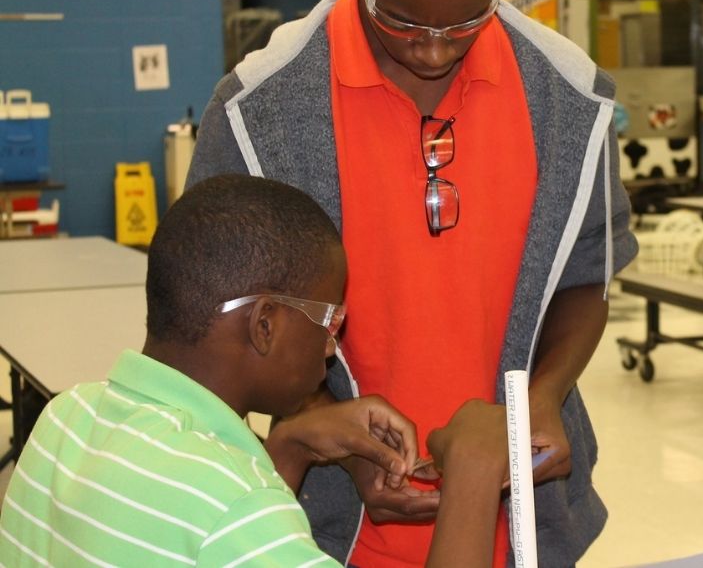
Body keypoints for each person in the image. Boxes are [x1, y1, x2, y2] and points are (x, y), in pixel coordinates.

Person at [186, 0, 637, 565]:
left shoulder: (569, 100)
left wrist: (543, 395)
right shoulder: (259, 114)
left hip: (526, 525)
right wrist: (336, 435)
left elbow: (586, 278)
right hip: (328, 533)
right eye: (403, 22)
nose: (435, 48)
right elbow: (225, 327)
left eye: (465, 21)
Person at [0, 175, 509, 566]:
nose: (331, 348)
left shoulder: (63, 419)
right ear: (265, 324)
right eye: (329, 318)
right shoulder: (238, 508)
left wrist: (288, 447)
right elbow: (227, 526)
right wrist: (474, 472)